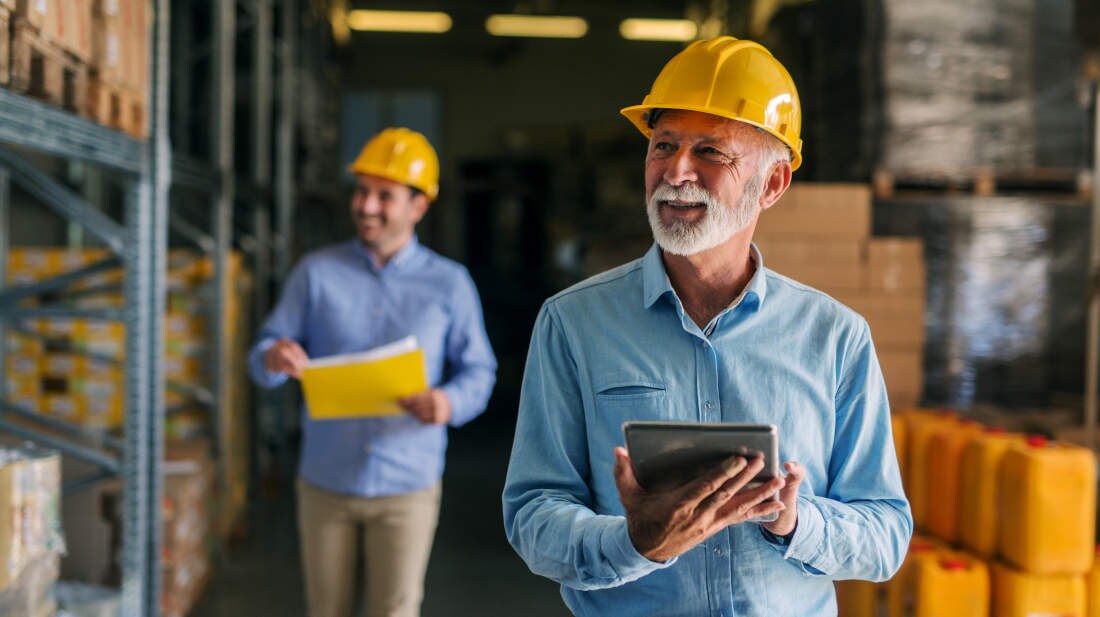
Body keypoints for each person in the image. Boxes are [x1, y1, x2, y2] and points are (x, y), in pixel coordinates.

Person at [502, 36, 912, 616]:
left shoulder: (835, 338)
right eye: (663, 145)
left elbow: (886, 535)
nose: (676, 171)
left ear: (771, 184)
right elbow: (533, 512)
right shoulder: (574, 324)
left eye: (710, 153)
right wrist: (633, 542)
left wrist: (794, 520)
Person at [249, 127, 497, 617]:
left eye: (385, 195)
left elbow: (479, 371)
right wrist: (272, 358)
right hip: (325, 482)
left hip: (408, 485)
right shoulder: (315, 273)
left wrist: (448, 402)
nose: (366, 206)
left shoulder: (449, 284)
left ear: (418, 207)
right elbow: (260, 358)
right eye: (361, 191)